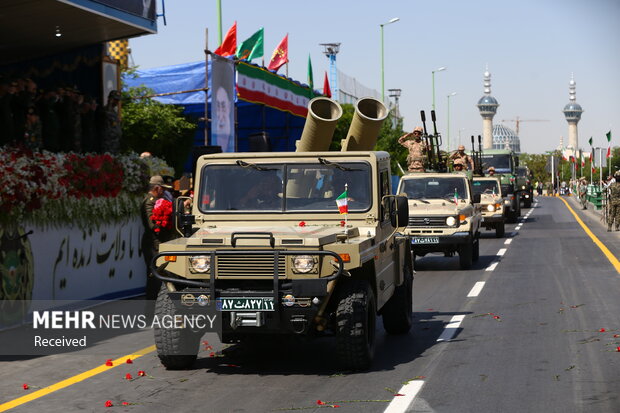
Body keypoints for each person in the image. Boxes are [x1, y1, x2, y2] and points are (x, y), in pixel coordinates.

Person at [141, 175, 174, 300]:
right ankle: (150, 310)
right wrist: (167, 222)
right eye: (163, 189)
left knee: (159, 277)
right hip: (153, 244)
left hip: (158, 243)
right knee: (154, 277)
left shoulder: (155, 200)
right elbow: (153, 225)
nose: (164, 192)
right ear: (157, 188)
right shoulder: (150, 201)